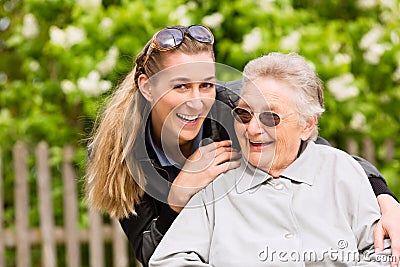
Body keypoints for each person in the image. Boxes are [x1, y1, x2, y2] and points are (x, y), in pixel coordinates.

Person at [84, 25, 399, 267]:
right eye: (180, 86)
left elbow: (311, 147)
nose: (196, 100)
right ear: (147, 87)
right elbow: (152, 255)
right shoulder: (118, 151)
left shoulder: (233, 105)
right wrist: (177, 197)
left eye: (206, 84)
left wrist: (384, 198)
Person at [149, 52, 395, 266]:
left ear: (307, 124)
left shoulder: (342, 172)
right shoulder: (216, 182)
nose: (252, 129)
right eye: (244, 114)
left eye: (270, 118)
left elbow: (381, 253)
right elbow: (170, 259)